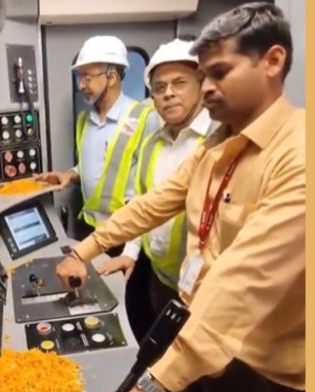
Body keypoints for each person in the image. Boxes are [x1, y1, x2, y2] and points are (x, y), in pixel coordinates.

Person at [56, 3, 304, 392]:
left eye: (217, 74)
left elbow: (244, 283)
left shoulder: (298, 153)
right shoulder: (216, 146)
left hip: (263, 368)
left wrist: (156, 381)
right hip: (198, 323)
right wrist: (82, 251)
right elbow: (152, 203)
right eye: (203, 76)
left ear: (272, 62)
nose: (206, 88)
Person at [35, 35, 160, 341]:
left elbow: (151, 193)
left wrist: (131, 251)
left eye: (87, 77)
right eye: (79, 77)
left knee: (133, 317)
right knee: (104, 313)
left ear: (112, 76)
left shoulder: (145, 119)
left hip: (131, 239)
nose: (81, 85)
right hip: (94, 232)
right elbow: (97, 165)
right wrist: (70, 175)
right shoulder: (85, 120)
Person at [97, 38, 219, 330]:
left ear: (201, 84)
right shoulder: (153, 144)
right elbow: (144, 205)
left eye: (179, 83)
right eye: (160, 88)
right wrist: (129, 253)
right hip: (162, 279)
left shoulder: (222, 142)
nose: (168, 94)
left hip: (208, 294)